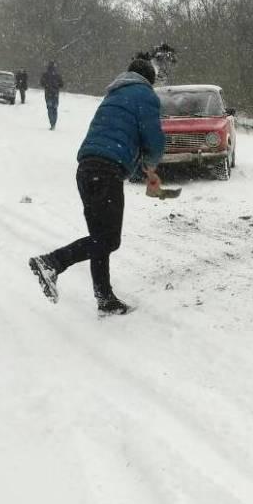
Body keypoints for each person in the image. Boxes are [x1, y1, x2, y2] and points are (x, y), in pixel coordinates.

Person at [28, 57, 165, 316]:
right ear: (149, 79)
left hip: (87, 168)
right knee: (108, 240)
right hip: (107, 170)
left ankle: (105, 299)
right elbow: (154, 138)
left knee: (99, 238)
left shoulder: (113, 94)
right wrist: (150, 164)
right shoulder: (145, 94)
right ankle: (52, 262)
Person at [40, 61, 64, 129]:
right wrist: (56, 85)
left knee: (50, 109)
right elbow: (62, 84)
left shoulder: (45, 74)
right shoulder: (58, 75)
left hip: (48, 94)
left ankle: (52, 124)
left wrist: (47, 85)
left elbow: (42, 83)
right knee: (55, 109)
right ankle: (54, 123)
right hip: (56, 94)